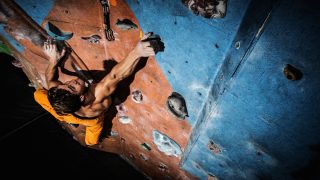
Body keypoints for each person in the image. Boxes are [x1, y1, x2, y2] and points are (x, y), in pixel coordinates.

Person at [34, 33, 162, 146]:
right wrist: (137, 52)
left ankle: (61, 116)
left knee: (37, 94)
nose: (72, 81)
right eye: (73, 86)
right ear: (82, 97)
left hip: (65, 113)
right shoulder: (97, 96)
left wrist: (53, 59)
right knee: (91, 142)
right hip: (90, 120)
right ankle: (75, 127)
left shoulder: (59, 92)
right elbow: (116, 76)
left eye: (66, 83)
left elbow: (50, 78)